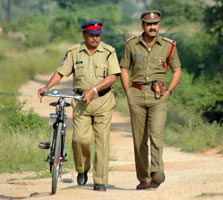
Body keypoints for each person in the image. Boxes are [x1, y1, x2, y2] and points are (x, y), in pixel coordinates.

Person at [38, 21, 121, 191]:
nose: (95, 38)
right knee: (79, 139)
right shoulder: (74, 52)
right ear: (84, 35)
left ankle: (100, 180)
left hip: (102, 101)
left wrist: (94, 90)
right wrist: (47, 87)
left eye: (98, 35)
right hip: (81, 102)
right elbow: (61, 72)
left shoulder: (108, 52)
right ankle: (83, 168)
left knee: (102, 142)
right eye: (91, 35)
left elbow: (113, 76)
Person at [120, 10, 182, 190]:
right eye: (148, 24)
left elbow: (177, 70)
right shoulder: (131, 45)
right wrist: (128, 92)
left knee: (156, 135)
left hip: (158, 96)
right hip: (137, 94)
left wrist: (169, 91)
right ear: (142, 25)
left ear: (159, 25)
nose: (152, 27)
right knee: (140, 139)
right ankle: (144, 178)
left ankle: (156, 172)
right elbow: (124, 68)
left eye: (155, 24)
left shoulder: (168, 46)